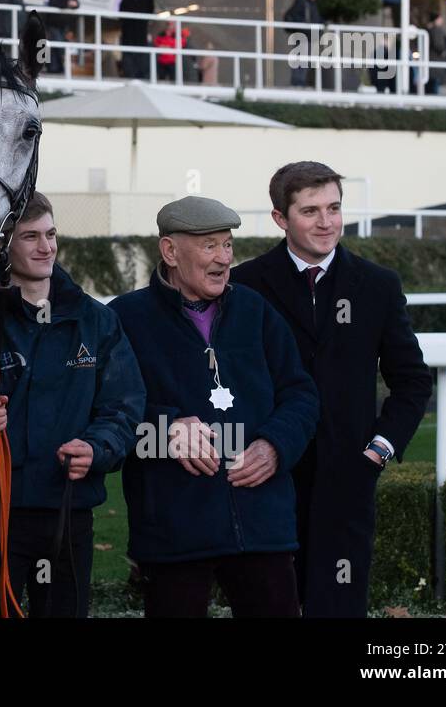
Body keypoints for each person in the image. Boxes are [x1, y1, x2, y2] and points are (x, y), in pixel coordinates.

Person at [230, 162, 433, 617]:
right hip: (268, 479)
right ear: (281, 218)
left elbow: (413, 381)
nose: (326, 222)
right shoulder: (244, 285)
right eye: (310, 211)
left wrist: (378, 450)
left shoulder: (378, 285)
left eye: (334, 208)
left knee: (339, 606)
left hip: (348, 480)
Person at [109, 196, 319, 618]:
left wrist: (274, 446)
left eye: (227, 245)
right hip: (174, 532)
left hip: (262, 525)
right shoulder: (125, 319)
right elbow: (110, 411)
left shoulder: (256, 311)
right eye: (209, 246)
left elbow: (302, 395)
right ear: (170, 251)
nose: (224, 258)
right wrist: (165, 429)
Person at [0, 192, 145, 618]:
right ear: (4, 246)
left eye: (51, 234)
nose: (46, 247)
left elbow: (123, 407)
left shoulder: (96, 319)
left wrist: (96, 448)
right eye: (30, 236)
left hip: (69, 510)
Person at [283, 0, 322, 87]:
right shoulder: (302, 2)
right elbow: (298, 18)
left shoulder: (308, 3)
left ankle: (299, 81)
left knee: (304, 59)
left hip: (307, 35)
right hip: (303, 35)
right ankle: (298, 82)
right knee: (301, 59)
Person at [117, 0, 155, 79]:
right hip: (128, 30)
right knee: (128, 55)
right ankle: (129, 75)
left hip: (141, 29)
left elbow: (150, 9)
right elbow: (122, 10)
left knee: (141, 54)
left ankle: (141, 76)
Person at [46, 0, 79, 67]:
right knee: (58, 43)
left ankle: (60, 67)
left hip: (66, 24)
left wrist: (74, 4)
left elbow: (77, 5)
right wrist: (67, 3)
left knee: (62, 43)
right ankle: (56, 67)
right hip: (54, 23)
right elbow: (53, 3)